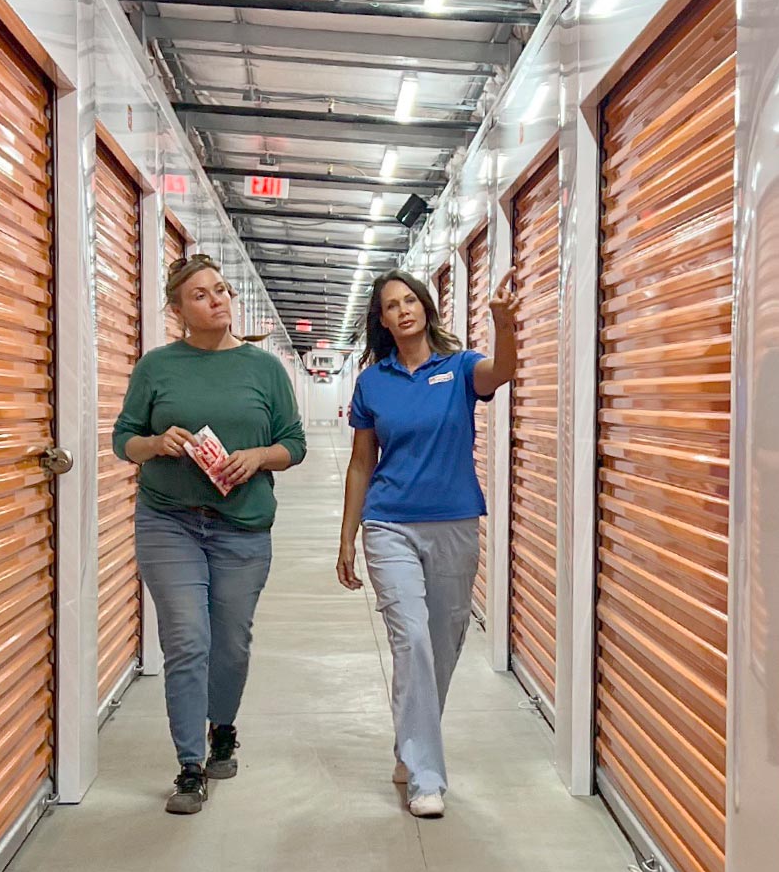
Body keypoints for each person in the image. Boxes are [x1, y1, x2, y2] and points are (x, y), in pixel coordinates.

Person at [113, 254, 307, 814]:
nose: (217, 299)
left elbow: (293, 443)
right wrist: (154, 444)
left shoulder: (264, 368)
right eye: (200, 294)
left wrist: (257, 457)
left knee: (230, 643)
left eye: (221, 290)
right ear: (178, 310)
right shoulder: (157, 368)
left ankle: (223, 725)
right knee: (187, 640)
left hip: (242, 526)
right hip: (168, 520)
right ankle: (190, 766)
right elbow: (124, 436)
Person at [336, 267, 518, 818]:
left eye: (410, 299)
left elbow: (501, 373)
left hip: (455, 521)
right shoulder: (373, 382)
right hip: (390, 523)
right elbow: (362, 462)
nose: (402, 310)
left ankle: (408, 746)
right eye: (390, 305)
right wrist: (347, 536)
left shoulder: (459, 368)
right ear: (382, 321)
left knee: (442, 645)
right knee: (411, 640)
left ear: (425, 307)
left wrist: (505, 326)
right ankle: (425, 777)